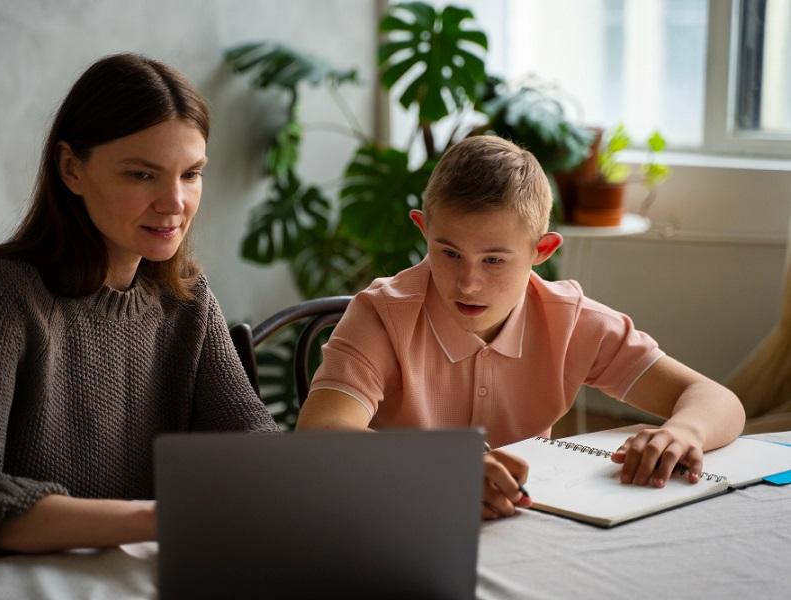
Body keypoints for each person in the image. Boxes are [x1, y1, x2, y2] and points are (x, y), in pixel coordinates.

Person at [0, 53, 278, 557]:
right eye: (142, 175)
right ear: (72, 168)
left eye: (191, 174)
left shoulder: (187, 298)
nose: (174, 202)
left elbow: (255, 441)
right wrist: (155, 518)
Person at [296, 135, 745, 520]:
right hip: (398, 518)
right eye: (448, 253)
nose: (468, 283)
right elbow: (321, 434)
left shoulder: (569, 320)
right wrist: (441, 469)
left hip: (523, 525)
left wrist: (685, 432)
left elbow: (715, 400)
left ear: (542, 250)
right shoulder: (381, 316)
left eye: (493, 259)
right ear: (423, 229)